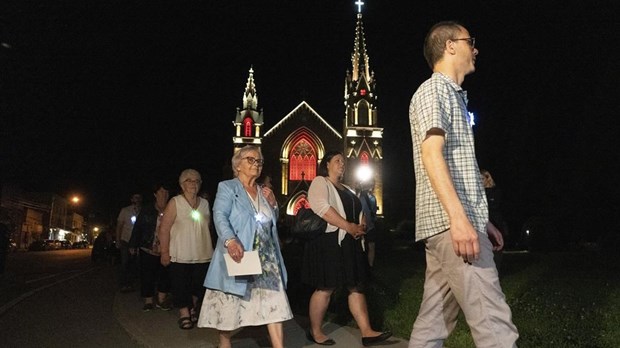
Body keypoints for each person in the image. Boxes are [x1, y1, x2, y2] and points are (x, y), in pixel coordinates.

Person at [407, 21, 519, 347]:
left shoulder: (452, 97)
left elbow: (457, 167)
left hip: (453, 224)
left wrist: (481, 221)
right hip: (451, 225)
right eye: (471, 41)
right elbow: (431, 154)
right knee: (494, 324)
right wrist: (459, 219)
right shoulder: (434, 91)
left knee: (432, 324)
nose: (476, 48)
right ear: (450, 46)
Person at [198, 145, 292, 348]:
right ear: (237, 165)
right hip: (240, 253)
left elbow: (271, 221)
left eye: (259, 161)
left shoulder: (264, 191)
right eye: (251, 159)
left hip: (267, 259)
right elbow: (219, 215)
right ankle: (224, 342)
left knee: (274, 305)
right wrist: (230, 240)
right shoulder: (228, 187)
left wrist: (274, 204)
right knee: (231, 306)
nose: (256, 164)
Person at [303, 150, 391, 347]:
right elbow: (321, 207)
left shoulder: (349, 189)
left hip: (350, 242)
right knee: (326, 287)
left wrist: (361, 225)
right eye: (337, 161)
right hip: (330, 242)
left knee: (355, 286)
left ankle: (367, 332)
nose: (342, 164)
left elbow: (360, 210)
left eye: (343, 161)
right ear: (327, 164)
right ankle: (315, 331)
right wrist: (348, 226)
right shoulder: (320, 182)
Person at [159, 169, 214, 330]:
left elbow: (208, 227)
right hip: (180, 254)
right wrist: (164, 252)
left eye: (197, 181)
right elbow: (164, 229)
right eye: (189, 181)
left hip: (203, 253)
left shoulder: (204, 203)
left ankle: (192, 308)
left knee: (198, 285)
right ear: (182, 184)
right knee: (181, 285)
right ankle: (184, 313)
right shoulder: (175, 202)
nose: (193, 184)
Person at [129, 182, 172, 311]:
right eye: (161, 192)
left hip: (166, 248)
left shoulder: (172, 208)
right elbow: (138, 227)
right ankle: (148, 300)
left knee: (165, 274)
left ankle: (161, 299)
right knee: (147, 274)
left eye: (166, 192)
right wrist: (133, 244)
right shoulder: (147, 209)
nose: (163, 195)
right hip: (148, 246)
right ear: (155, 194)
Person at [481, 169, 509, 273]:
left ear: (488, 179)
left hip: (495, 223)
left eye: (482, 179)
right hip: (484, 223)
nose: (480, 181)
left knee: (496, 248)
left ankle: (496, 271)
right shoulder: (478, 192)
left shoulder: (495, 191)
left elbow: (496, 206)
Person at [115, 193, 142, 292]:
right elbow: (119, 226)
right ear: (131, 199)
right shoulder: (125, 210)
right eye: (135, 197)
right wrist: (118, 240)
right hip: (126, 240)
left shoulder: (142, 211)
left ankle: (131, 283)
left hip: (137, 242)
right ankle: (124, 284)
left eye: (139, 197)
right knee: (125, 262)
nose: (137, 199)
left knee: (134, 263)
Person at [358, 180, 379, 268]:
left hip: (363, 225)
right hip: (368, 225)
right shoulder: (371, 198)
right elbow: (373, 212)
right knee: (371, 246)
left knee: (365, 246)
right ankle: (369, 266)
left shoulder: (360, 197)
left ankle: (365, 266)